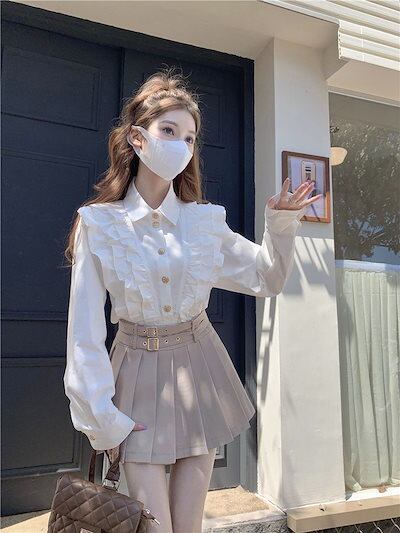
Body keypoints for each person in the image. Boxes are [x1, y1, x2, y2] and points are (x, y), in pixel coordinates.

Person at [63, 67, 322, 533]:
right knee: (153, 525)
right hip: (135, 374)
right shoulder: (99, 225)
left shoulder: (204, 223)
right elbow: (84, 331)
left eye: (189, 138)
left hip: (199, 368)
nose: (181, 146)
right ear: (137, 139)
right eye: (169, 131)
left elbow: (265, 276)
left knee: (189, 526)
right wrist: (101, 418)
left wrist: (280, 225)